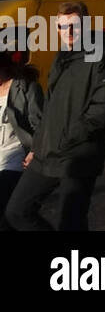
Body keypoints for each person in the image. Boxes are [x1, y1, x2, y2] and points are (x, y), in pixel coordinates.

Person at [6, 2, 105, 231]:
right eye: (62, 27)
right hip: (48, 153)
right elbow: (50, 109)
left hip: (79, 154)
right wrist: (37, 147)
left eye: (74, 26)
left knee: (70, 222)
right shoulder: (63, 56)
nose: (68, 33)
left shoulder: (99, 56)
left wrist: (69, 138)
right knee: (17, 211)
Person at [0, 49, 44, 229]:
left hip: (14, 161)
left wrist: (35, 151)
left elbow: (41, 125)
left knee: (12, 214)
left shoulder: (25, 88)